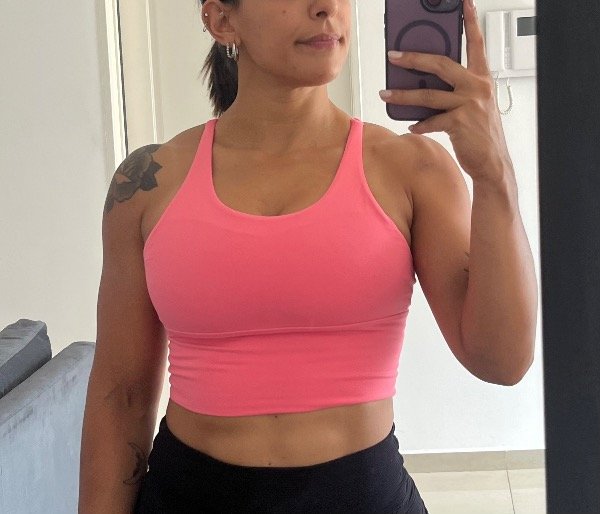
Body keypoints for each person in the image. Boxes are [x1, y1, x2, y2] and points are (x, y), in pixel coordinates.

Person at [78, 0, 538, 512]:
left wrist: (495, 174)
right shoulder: (147, 184)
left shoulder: (412, 169)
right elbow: (120, 396)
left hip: (364, 498)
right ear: (222, 20)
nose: (326, 7)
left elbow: (502, 361)